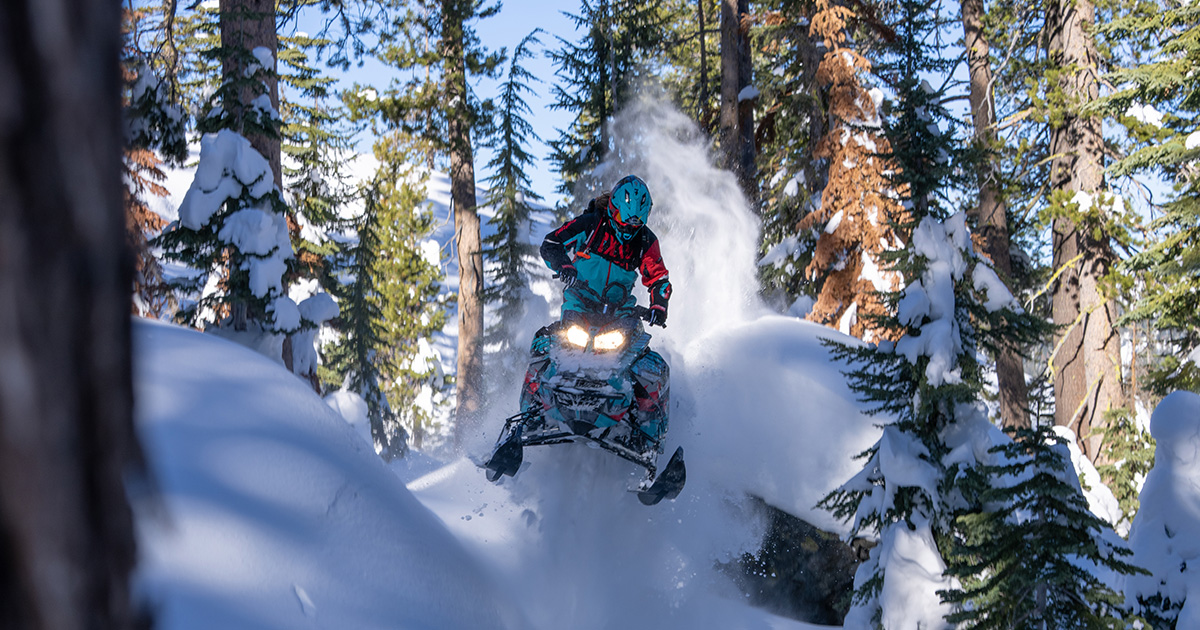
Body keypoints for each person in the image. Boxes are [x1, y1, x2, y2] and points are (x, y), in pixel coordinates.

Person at [540, 174, 672, 324]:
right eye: (623, 220)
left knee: (637, 343)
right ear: (613, 208)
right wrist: (564, 266)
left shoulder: (645, 240)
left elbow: (659, 280)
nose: (628, 228)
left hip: (621, 311)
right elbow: (551, 243)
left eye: (636, 224)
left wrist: (659, 306)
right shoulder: (590, 224)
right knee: (554, 342)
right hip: (579, 302)